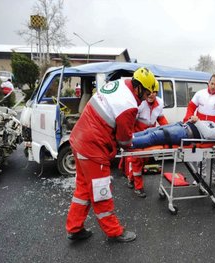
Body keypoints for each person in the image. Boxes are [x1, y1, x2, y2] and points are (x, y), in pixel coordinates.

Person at [65, 67, 157, 243]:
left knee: (83, 188)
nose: (146, 98)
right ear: (139, 88)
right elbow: (123, 139)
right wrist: (130, 145)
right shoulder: (129, 105)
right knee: (101, 192)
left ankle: (74, 228)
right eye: (145, 93)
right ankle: (114, 232)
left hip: (80, 138)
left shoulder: (121, 83)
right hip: (93, 146)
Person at [183, 74, 215, 187]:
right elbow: (191, 107)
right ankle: (200, 176)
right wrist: (188, 118)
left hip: (212, 130)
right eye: (211, 83)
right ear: (208, 82)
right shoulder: (200, 94)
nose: (213, 86)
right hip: (200, 128)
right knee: (199, 154)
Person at [125, 81, 168, 198]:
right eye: (149, 92)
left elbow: (161, 119)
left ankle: (130, 177)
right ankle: (138, 187)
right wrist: (130, 137)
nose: (151, 94)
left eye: (154, 92)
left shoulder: (159, 104)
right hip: (138, 135)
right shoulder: (140, 104)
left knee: (144, 161)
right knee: (137, 161)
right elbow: (131, 122)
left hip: (151, 137)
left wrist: (168, 131)